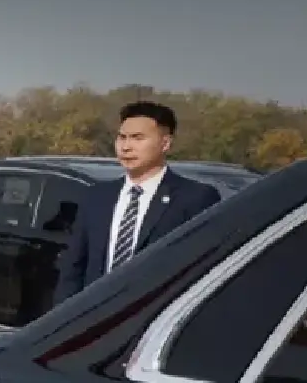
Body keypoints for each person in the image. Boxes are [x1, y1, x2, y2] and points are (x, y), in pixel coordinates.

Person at [53, 101, 219, 305]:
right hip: (96, 314)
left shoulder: (194, 198)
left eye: (138, 138)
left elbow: (201, 271)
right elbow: (73, 267)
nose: (126, 147)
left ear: (165, 143)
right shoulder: (97, 196)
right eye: (122, 137)